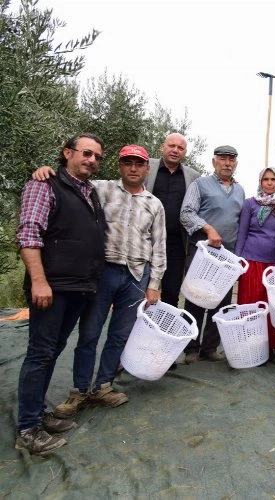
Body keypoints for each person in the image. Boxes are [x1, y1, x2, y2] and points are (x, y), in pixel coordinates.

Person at [32, 146, 166, 417]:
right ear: (119, 166)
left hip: (136, 276)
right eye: (127, 163)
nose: (133, 168)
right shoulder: (100, 189)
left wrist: (155, 283)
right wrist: (47, 172)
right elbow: (70, 182)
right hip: (102, 273)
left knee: (119, 335)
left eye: (138, 164)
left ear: (146, 169)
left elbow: (159, 245)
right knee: (90, 333)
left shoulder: (154, 203)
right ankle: (79, 390)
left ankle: (103, 385)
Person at [15, 133, 107, 454]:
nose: (91, 160)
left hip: (78, 287)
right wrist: (39, 281)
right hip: (51, 287)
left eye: (97, 156)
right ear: (67, 153)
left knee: (52, 351)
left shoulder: (91, 192)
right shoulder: (44, 185)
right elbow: (29, 234)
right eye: (85, 153)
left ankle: (38, 415)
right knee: (40, 354)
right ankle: (28, 428)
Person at [179, 145, 245, 364]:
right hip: (203, 252)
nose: (227, 163)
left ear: (236, 163)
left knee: (221, 301)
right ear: (214, 161)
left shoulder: (240, 190)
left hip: (226, 257)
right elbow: (186, 213)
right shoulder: (200, 185)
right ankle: (191, 348)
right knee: (197, 298)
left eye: (231, 160)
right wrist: (208, 229)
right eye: (223, 159)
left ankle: (210, 347)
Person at [235, 167, 275, 351]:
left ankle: (272, 345)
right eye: (265, 179)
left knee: (273, 306)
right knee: (250, 304)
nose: (269, 182)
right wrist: (238, 261)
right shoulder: (250, 204)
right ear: (260, 182)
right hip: (252, 261)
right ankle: (250, 344)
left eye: (273, 179)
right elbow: (242, 233)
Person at [145, 133, 200, 307]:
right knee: (140, 290)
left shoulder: (193, 176)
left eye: (180, 148)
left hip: (176, 244)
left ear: (185, 152)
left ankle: (165, 331)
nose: (175, 150)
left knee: (171, 293)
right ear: (163, 146)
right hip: (145, 240)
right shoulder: (147, 166)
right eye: (171, 146)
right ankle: (137, 331)